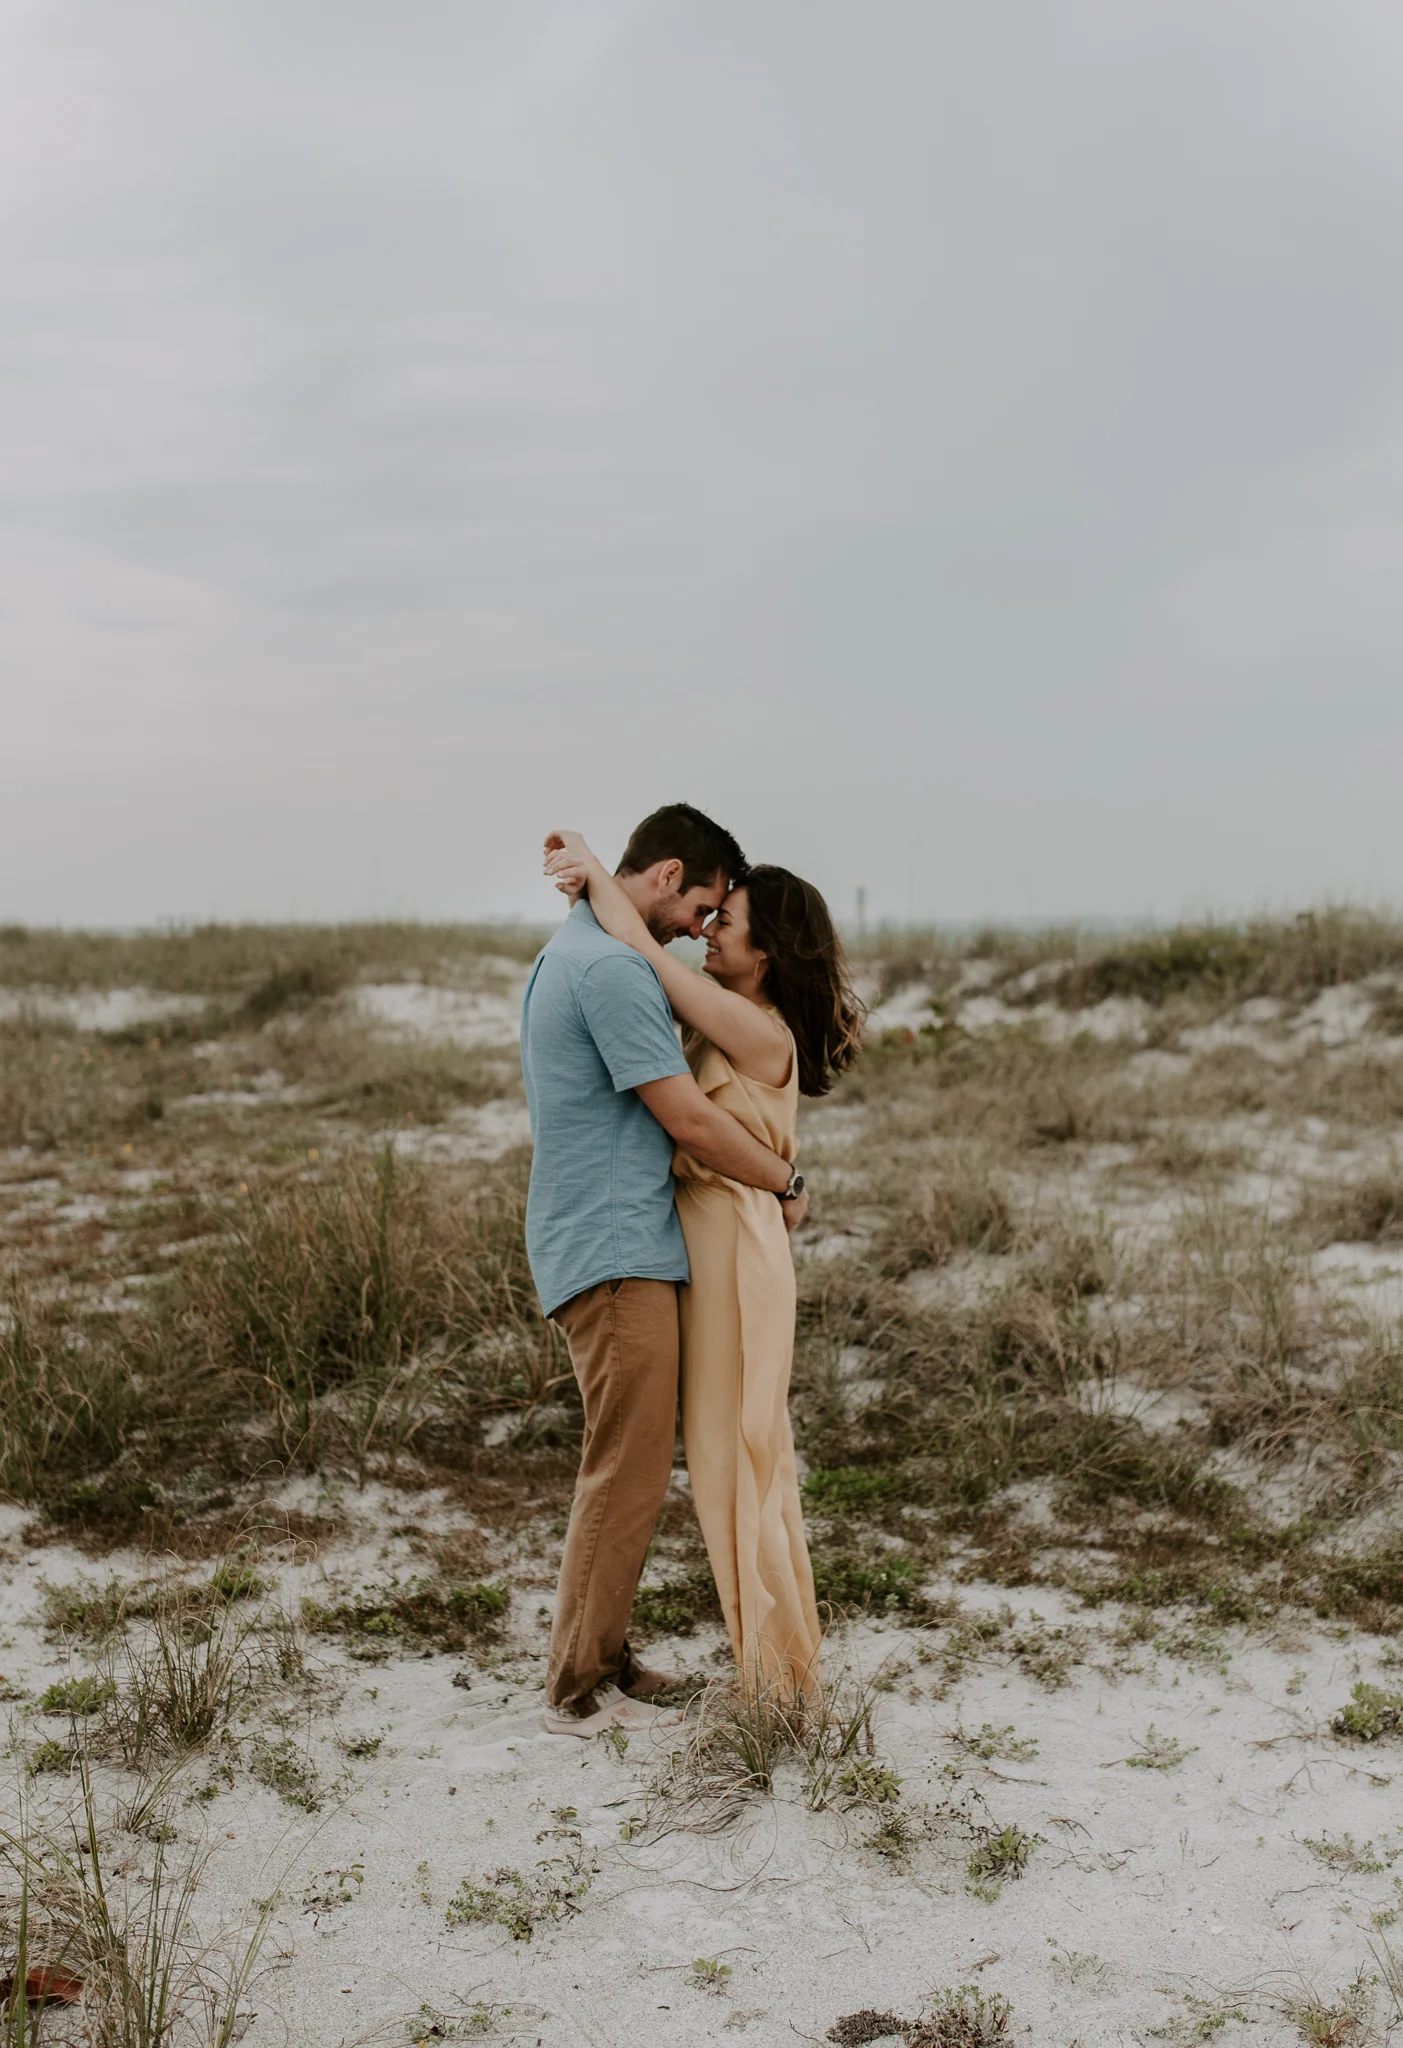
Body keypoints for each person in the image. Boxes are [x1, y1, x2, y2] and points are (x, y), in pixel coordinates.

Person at [543, 827, 863, 1704]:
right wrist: (595, 879)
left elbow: (644, 950)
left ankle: (780, 1677)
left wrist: (591, 869)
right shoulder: (731, 1018)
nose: (710, 931)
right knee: (729, 1460)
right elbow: (645, 952)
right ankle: (773, 1664)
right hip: (710, 1241)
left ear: (768, 951)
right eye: (710, 912)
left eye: (728, 921)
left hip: (734, 1250)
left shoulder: (760, 1034)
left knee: (743, 1457)